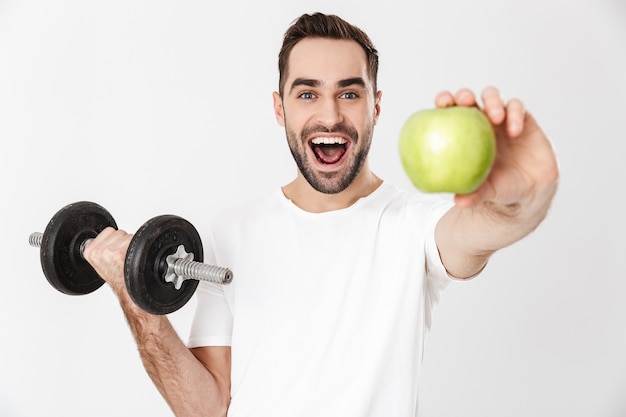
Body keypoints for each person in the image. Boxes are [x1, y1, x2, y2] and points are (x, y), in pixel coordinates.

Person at [83, 12, 559, 417]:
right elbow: (207, 406)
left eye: (349, 94)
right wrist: (137, 303)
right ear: (280, 108)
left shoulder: (415, 225)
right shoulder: (232, 232)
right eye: (307, 93)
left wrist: (528, 194)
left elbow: (490, 227)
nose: (330, 116)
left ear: (376, 106)